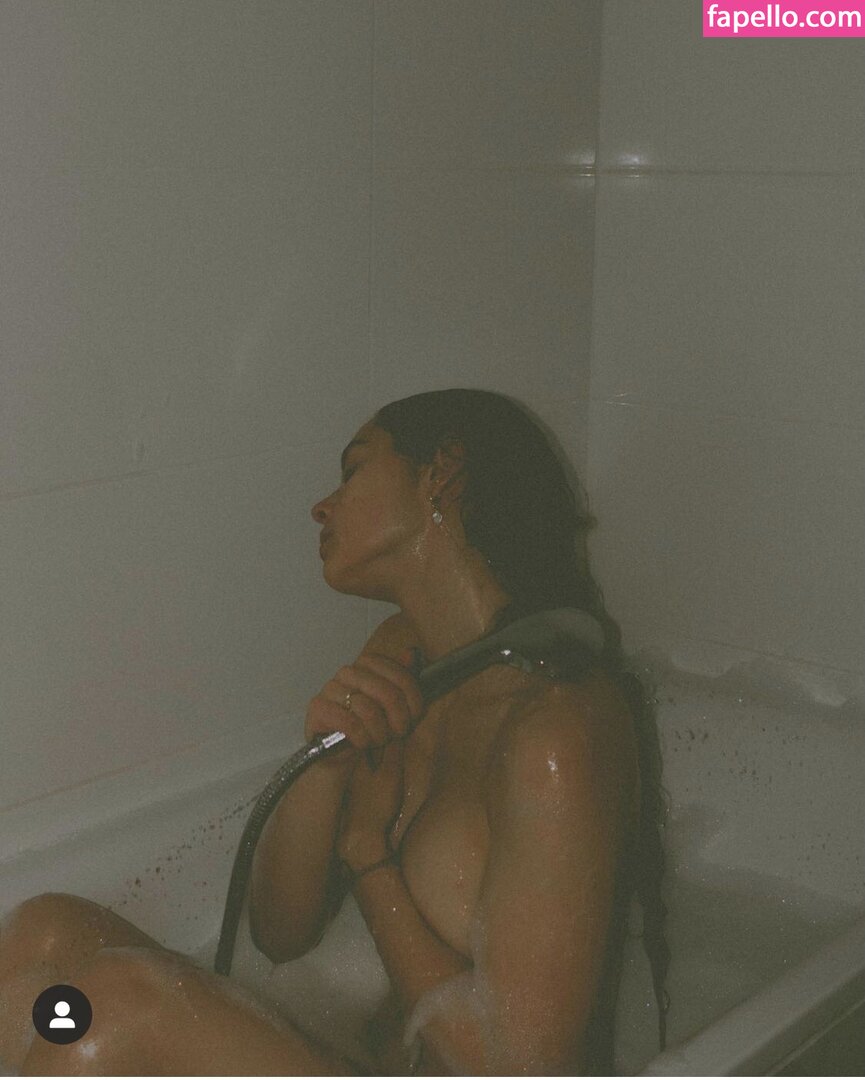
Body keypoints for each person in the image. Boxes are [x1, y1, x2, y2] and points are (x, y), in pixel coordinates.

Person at [0, 388, 669, 1075]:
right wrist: (326, 769)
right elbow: (279, 936)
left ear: (441, 473)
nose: (322, 506)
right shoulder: (404, 657)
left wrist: (367, 855)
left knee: (103, 1012)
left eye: (353, 470)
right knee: (44, 932)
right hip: (368, 1054)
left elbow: (520, 1067)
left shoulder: (557, 727)